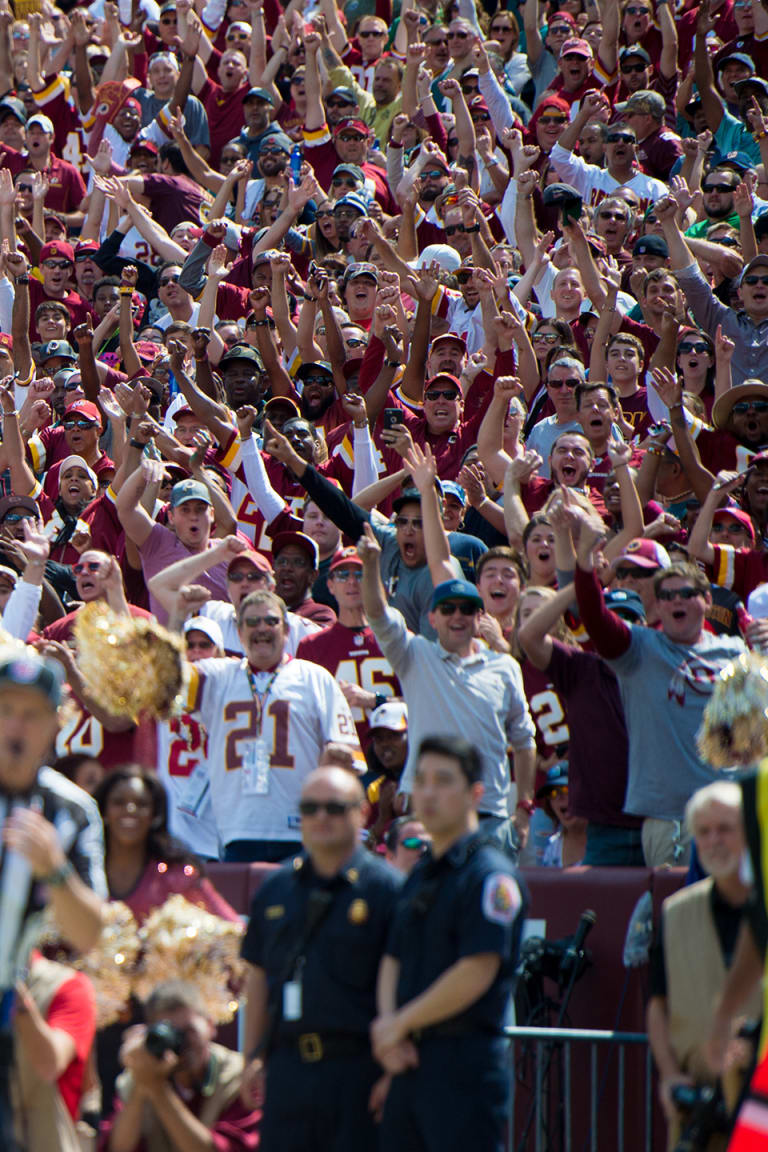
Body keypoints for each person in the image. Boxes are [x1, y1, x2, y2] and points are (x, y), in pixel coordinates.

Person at [372, 735, 526, 1152]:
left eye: (443, 781)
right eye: (420, 781)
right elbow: (392, 956)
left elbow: (477, 969)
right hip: (407, 1064)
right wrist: (389, 1032)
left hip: (463, 1069)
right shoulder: (422, 874)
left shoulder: (490, 875)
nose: (428, 792)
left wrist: (398, 1024)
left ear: (476, 794)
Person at [240, 765, 402, 1152]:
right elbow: (258, 978)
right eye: (310, 808)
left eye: (334, 807)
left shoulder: (388, 890)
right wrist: (252, 1057)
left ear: (362, 812)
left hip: (360, 1071)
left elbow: (407, 983)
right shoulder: (275, 889)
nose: (321, 817)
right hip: (288, 1070)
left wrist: (393, 1074)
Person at [573, 514, 747, 866]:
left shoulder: (735, 653)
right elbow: (593, 616)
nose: (676, 601)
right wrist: (584, 560)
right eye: (667, 595)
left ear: (706, 600)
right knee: (672, 914)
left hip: (724, 812)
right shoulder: (639, 650)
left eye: (686, 593)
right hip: (666, 819)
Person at [358, 522, 537, 858]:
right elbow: (378, 615)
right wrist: (370, 567)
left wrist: (524, 808)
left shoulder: (504, 666)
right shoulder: (415, 655)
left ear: (479, 615)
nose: (458, 616)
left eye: (467, 609)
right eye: (448, 609)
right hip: (427, 813)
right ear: (433, 617)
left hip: (489, 813)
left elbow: (525, 740)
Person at [0, 649, 105, 1150]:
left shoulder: (70, 811)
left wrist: (54, 871)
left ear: (55, 724)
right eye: (4, 709)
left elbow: (90, 934)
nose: (16, 725)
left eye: (31, 713)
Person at [182, 589, 361, 862]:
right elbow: (167, 676)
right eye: (252, 623)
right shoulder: (218, 676)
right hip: (236, 829)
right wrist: (175, 613)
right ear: (239, 633)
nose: (261, 629)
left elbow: (349, 756)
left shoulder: (314, 677)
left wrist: (337, 756)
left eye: (270, 621)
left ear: (287, 630)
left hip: (302, 829)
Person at [647, 782, 760, 1151]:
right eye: (704, 832)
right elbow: (657, 1004)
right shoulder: (675, 912)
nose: (714, 840)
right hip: (697, 1111)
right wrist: (669, 1074)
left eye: (725, 829)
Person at [102, 980, 260, 1151]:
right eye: (171, 1034)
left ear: (210, 1025)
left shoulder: (237, 1078)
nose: (182, 1044)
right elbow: (117, 1148)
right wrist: (141, 1085)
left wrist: (159, 1091)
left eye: (189, 1031)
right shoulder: (141, 1075)